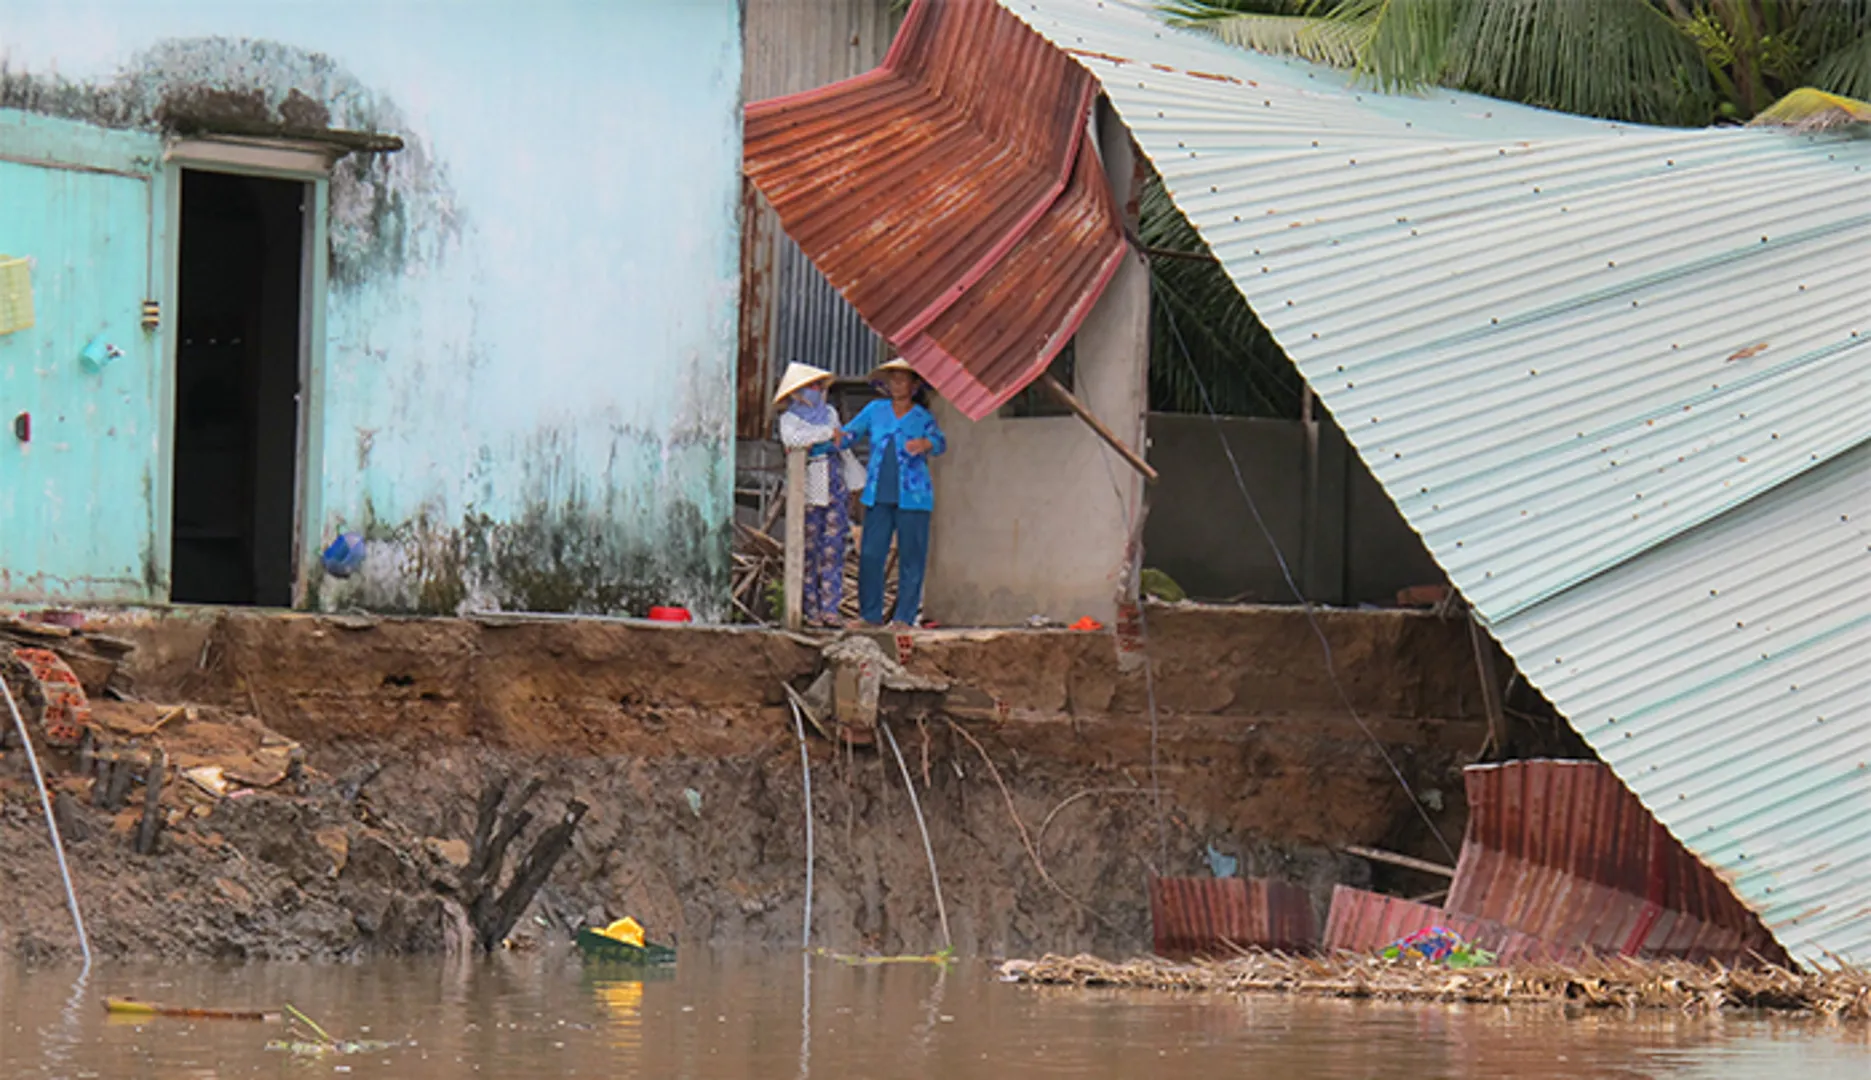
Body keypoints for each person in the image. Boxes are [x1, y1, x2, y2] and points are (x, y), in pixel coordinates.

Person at [841, 358, 946, 627]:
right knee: (871, 554)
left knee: (912, 557)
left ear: (914, 385)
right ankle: (870, 615)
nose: (897, 384)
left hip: (914, 497)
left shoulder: (922, 417)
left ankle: (904, 617)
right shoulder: (875, 410)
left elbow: (940, 442)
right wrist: (827, 437)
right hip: (878, 494)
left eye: (903, 379)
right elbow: (850, 434)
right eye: (893, 379)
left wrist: (926, 443)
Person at [774, 361, 853, 629]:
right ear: (796, 393)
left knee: (833, 547)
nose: (816, 391)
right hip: (809, 484)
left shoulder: (830, 413)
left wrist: (823, 437)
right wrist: (824, 436)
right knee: (809, 548)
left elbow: (839, 438)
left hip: (834, 481)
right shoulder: (789, 419)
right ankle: (810, 609)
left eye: (818, 386)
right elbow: (793, 440)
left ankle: (830, 608)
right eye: (810, 387)